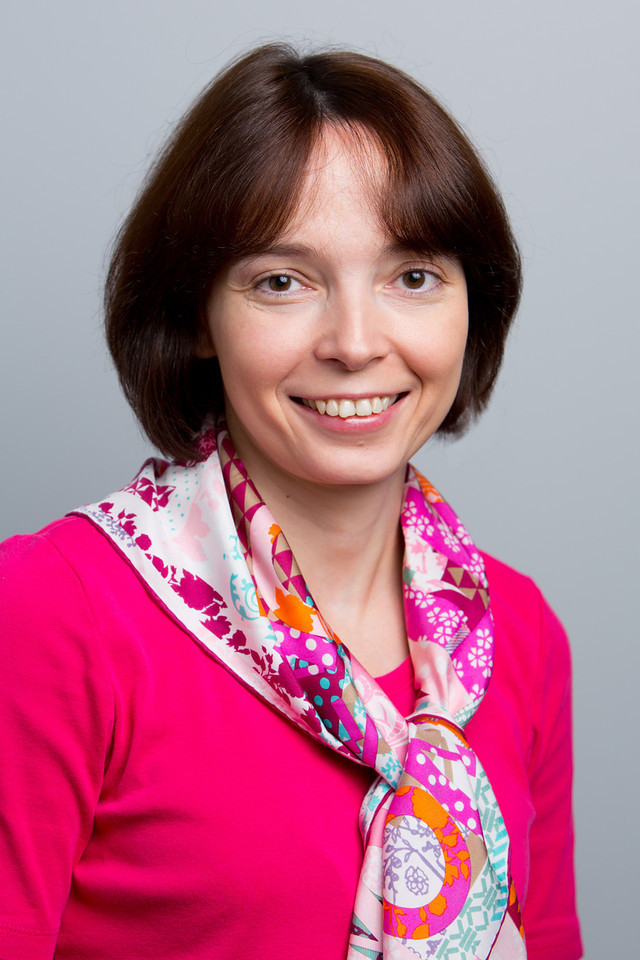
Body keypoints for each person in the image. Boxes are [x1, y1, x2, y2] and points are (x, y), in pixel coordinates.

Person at [0, 43, 582, 960]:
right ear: (197, 315)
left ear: (475, 303)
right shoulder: (52, 610)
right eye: (283, 281)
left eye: (413, 276)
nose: (354, 343)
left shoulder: (519, 632)